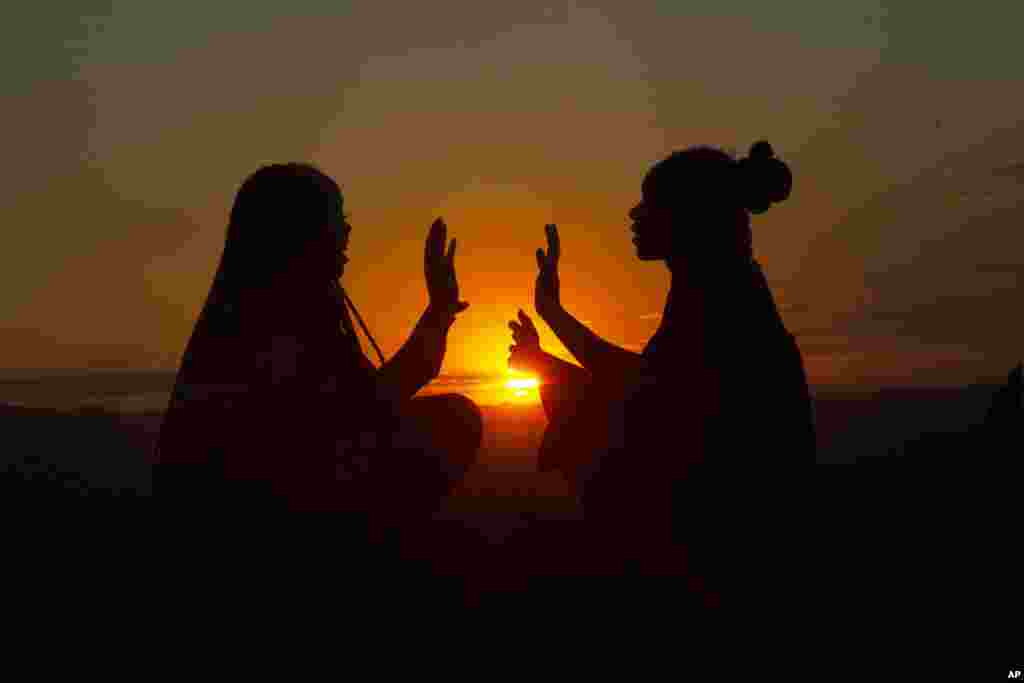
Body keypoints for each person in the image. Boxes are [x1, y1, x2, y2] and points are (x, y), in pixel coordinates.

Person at [506, 141, 815, 607]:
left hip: (734, 517)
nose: (635, 216)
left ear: (688, 218)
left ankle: (631, 570)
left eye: (651, 206)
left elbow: (642, 387)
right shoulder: (719, 283)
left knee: (577, 412)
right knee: (571, 396)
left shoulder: (718, 294)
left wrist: (551, 322)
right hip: (742, 497)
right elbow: (652, 383)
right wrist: (547, 350)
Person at [154, 163, 483, 519]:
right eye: (335, 217)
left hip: (272, 492)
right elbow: (367, 406)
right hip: (248, 507)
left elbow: (367, 403)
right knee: (455, 420)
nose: (346, 229)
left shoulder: (291, 299)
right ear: (296, 229)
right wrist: (437, 312)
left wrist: (439, 310)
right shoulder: (273, 309)